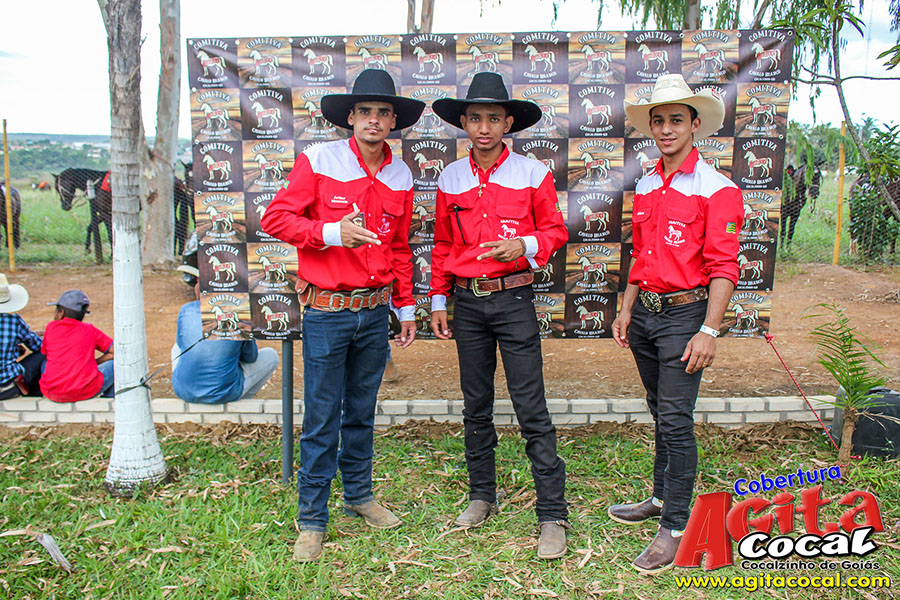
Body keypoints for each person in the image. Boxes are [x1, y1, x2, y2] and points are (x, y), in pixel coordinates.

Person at [261, 69, 424, 562]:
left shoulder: (401, 174)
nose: (374, 120)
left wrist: (406, 306)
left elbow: (398, 246)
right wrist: (332, 233)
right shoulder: (319, 159)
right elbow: (275, 219)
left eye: (383, 112)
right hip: (328, 312)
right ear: (350, 117)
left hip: (374, 313)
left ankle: (359, 495)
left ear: (393, 120)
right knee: (321, 416)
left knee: (361, 411)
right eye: (365, 111)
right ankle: (312, 519)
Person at [428, 72, 570, 560]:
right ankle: (481, 495)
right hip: (467, 302)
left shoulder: (532, 172)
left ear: (508, 123)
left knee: (531, 405)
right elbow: (444, 243)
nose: (484, 127)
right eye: (475, 118)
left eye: (494, 118)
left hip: (513, 301)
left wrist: (524, 245)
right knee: (476, 403)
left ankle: (552, 513)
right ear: (463, 123)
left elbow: (554, 232)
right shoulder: (451, 177)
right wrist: (438, 300)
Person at [609, 74, 744, 574]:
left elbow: (725, 266)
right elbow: (640, 255)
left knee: (675, 419)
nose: (667, 129)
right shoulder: (646, 183)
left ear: (694, 125)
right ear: (651, 126)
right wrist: (625, 310)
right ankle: (661, 499)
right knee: (659, 410)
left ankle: (675, 528)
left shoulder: (718, 188)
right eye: (659, 120)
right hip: (646, 314)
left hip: (687, 316)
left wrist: (708, 330)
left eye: (676, 120)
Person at [170, 234, 279, 404]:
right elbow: (250, 357)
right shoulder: (240, 313)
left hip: (183, 391)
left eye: (197, 281)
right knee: (271, 356)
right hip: (223, 392)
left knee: (176, 349)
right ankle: (242, 405)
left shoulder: (186, 310)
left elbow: (182, 345)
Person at [40, 289, 115, 402]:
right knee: (117, 364)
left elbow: (46, 355)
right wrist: (95, 362)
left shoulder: (51, 327)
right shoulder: (90, 330)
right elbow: (115, 351)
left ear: (61, 313)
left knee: (45, 361)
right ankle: (109, 402)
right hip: (84, 390)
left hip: (52, 392)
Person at [0, 274, 43, 400]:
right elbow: (37, 346)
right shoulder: (13, 321)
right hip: (8, 385)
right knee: (43, 353)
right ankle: (36, 393)